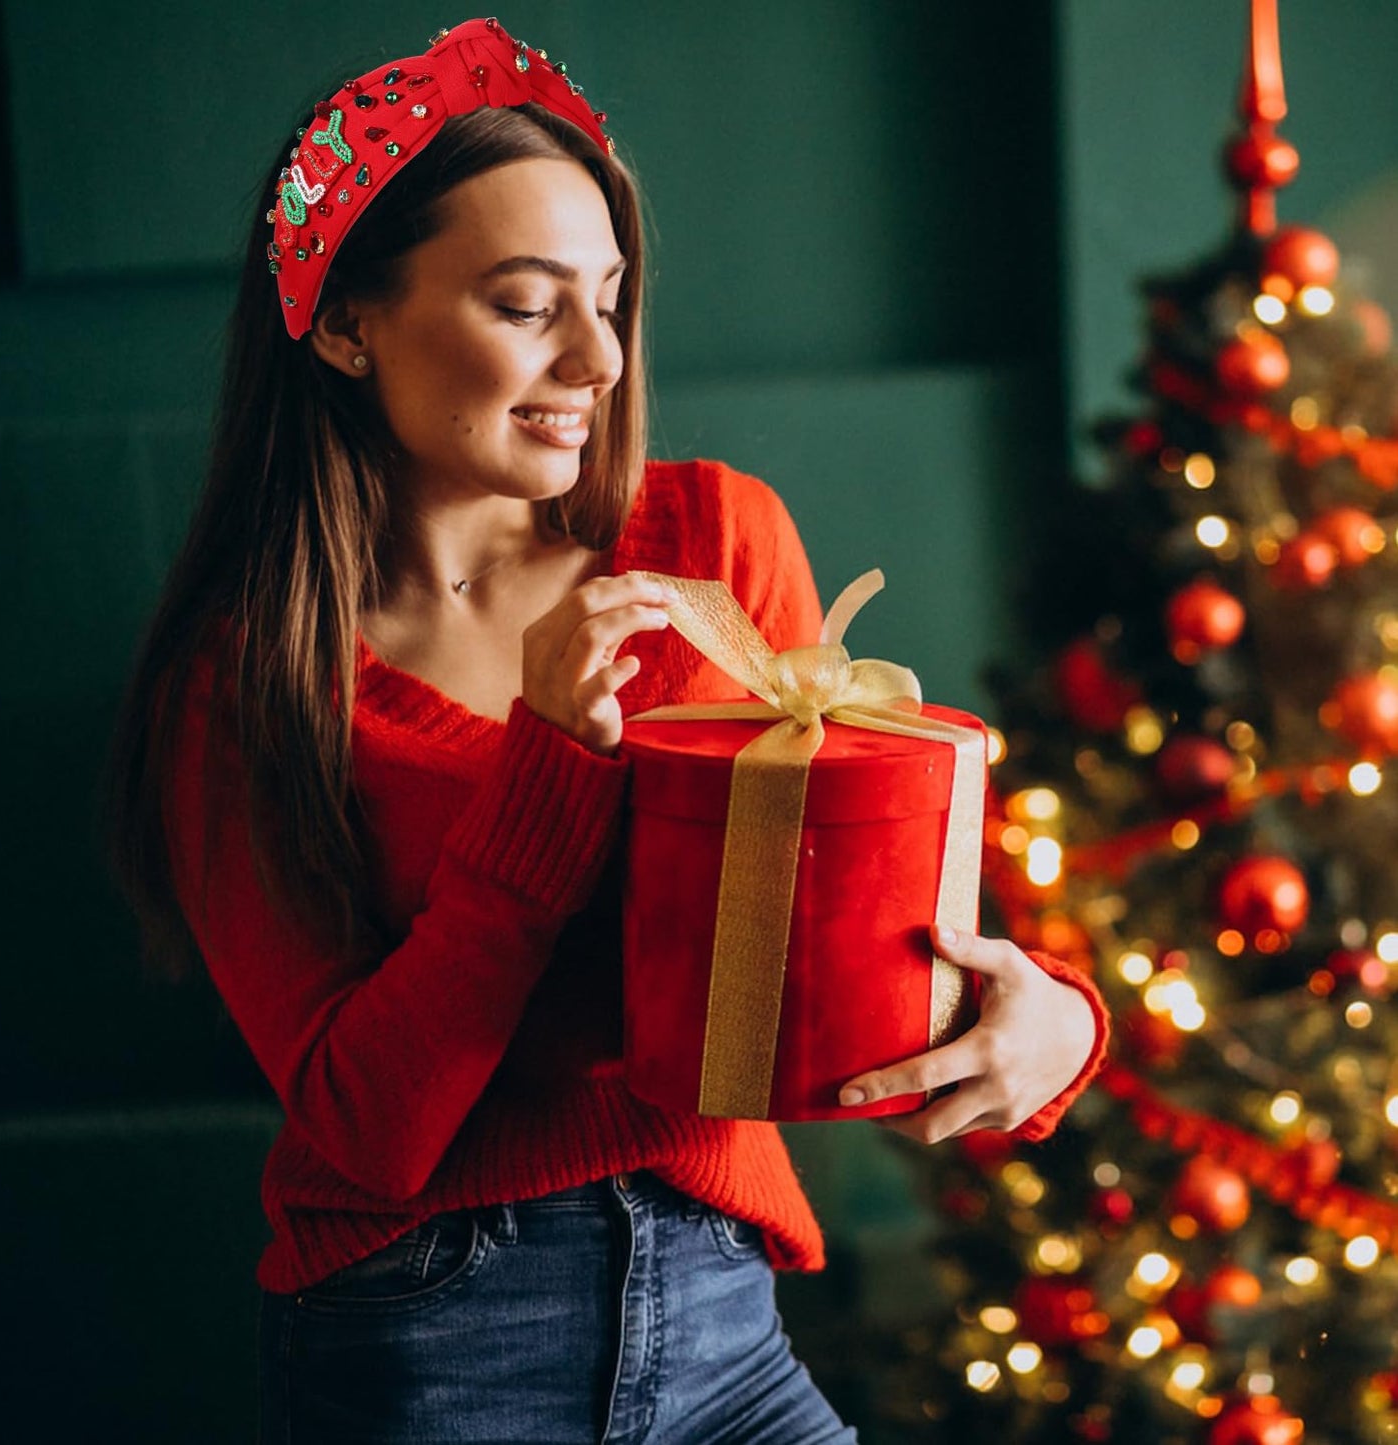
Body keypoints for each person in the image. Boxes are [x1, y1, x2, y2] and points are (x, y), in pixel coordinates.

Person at [108, 19, 1109, 1444]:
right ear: (343, 323)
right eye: (526, 306)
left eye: (612, 297)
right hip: (432, 1337)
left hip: (724, 1315)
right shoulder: (241, 685)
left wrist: (1046, 1022)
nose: (595, 356)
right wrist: (550, 762)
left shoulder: (713, 543)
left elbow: (839, 967)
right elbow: (366, 1125)